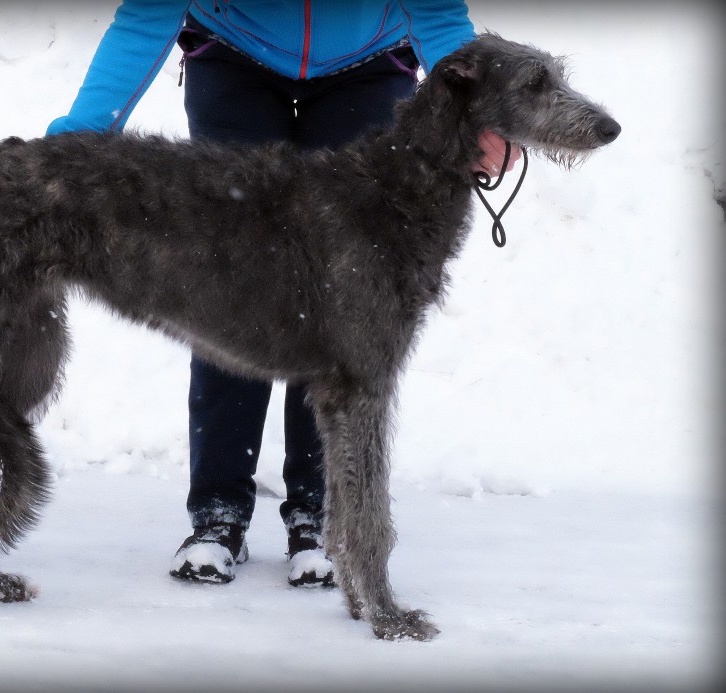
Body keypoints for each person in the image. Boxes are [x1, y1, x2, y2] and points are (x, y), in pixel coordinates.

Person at [47, 1, 517, 587]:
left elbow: (437, 12)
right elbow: (150, 12)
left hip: (368, 67)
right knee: (230, 292)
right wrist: (78, 139)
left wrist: (481, 117)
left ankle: (316, 518)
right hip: (235, 57)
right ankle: (218, 514)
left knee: (342, 306)